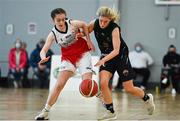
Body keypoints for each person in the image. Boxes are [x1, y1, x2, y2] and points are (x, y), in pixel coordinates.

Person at [87, 6, 155, 120]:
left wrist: (103, 60)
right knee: (103, 83)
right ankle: (110, 111)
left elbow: (116, 50)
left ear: (111, 20)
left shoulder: (114, 29)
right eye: (101, 20)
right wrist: (82, 36)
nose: (102, 24)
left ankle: (147, 98)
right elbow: (85, 29)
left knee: (129, 88)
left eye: (106, 21)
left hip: (120, 56)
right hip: (106, 56)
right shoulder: (94, 23)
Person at [35, 8, 95, 120]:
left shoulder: (71, 23)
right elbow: (43, 50)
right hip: (68, 58)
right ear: (53, 20)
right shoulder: (53, 34)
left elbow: (83, 24)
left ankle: (104, 101)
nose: (62, 22)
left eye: (63, 19)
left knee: (87, 85)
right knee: (59, 85)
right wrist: (43, 58)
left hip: (83, 54)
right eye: (58, 20)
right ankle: (45, 111)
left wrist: (88, 40)